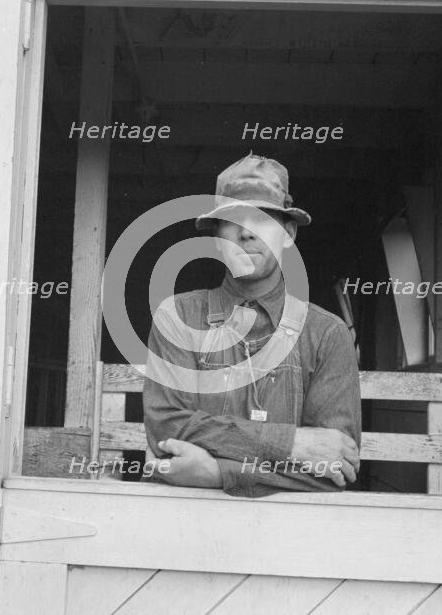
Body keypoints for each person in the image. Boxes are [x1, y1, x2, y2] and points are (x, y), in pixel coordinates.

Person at [143, 152, 361, 497]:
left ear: (288, 233)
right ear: (217, 237)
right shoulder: (179, 318)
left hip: (288, 532)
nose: (246, 234)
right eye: (233, 220)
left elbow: (334, 467)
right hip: (187, 520)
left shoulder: (326, 334)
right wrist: (290, 444)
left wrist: (218, 472)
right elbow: (166, 427)